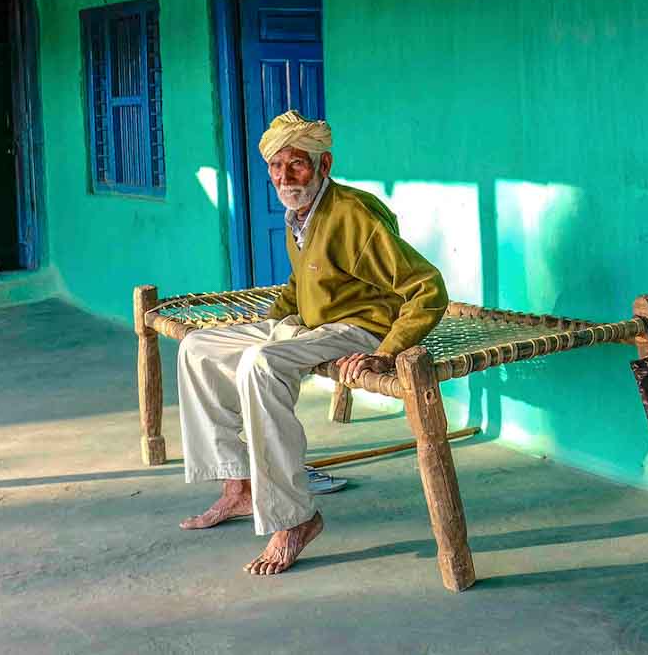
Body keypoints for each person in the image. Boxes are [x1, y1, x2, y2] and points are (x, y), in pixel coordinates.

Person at [175, 110, 448, 574]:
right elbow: (303, 281)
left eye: (297, 164)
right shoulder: (299, 212)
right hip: (311, 324)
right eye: (276, 166)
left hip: (359, 329)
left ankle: (295, 518)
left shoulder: (353, 215)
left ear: (324, 165)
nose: (284, 176)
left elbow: (428, 288)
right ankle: (239, 486)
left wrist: (386, 352)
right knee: (197, 348)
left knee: (260, 364)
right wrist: (268, 321)